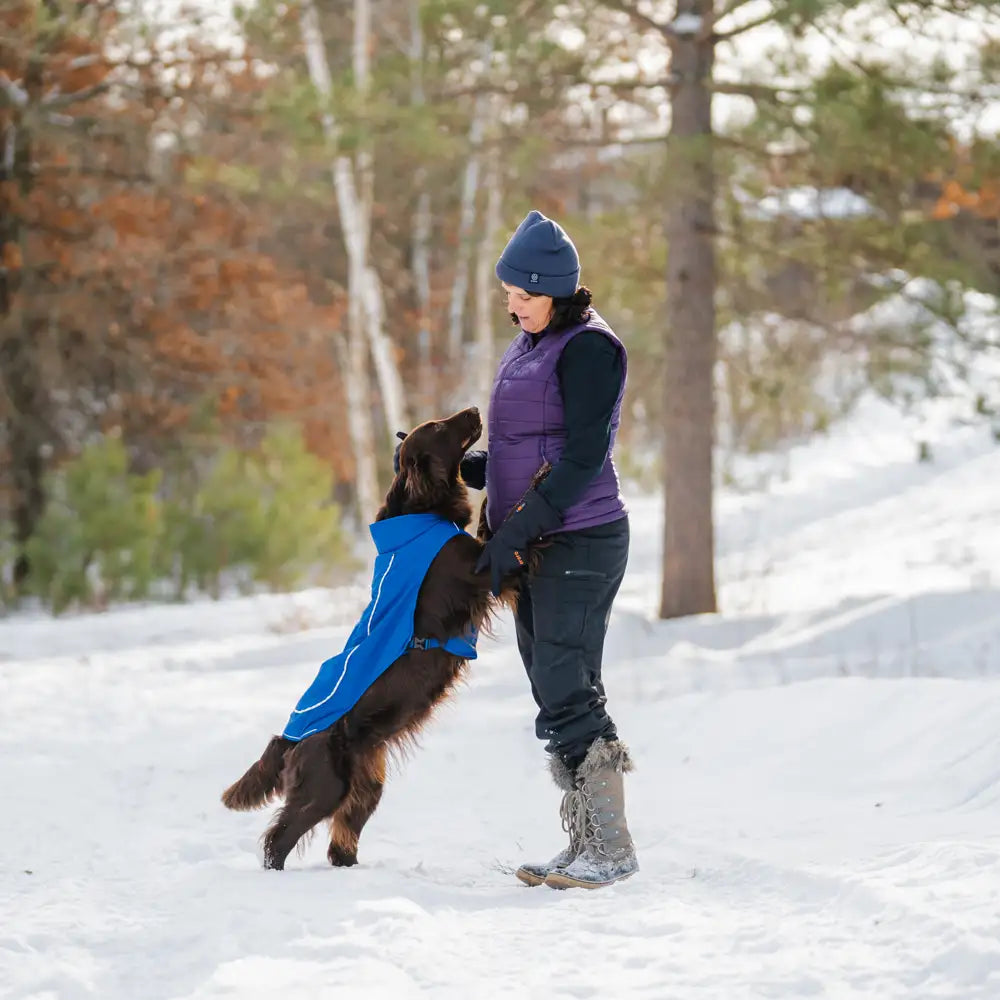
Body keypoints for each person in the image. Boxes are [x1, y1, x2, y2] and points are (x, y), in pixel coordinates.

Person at [467, 209, 637, 890]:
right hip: (540, 536)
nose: (512, 308)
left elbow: (581, 456)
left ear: (558, 291)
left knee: (567, 684)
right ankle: (583, 842)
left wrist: (516, 530)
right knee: (553, 684)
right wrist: (454, 463)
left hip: (579, 536)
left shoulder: (589, 349)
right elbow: (521, 449)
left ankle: (612, 847)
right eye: (507, 295)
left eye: (524, 297)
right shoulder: (533, 345)